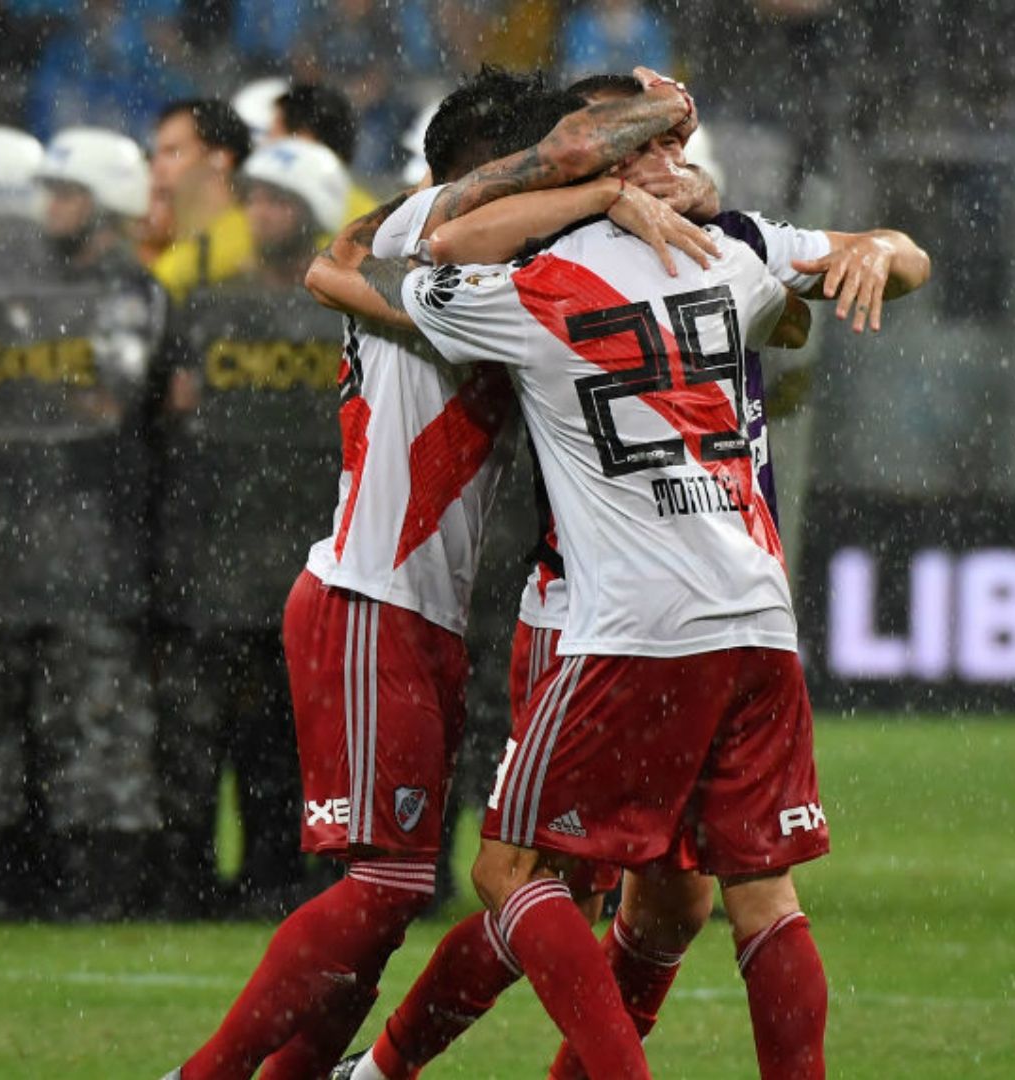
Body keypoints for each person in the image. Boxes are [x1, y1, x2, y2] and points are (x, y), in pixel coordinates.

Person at [336, 72, 930, 1080]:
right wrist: (860, 257)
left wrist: (877, 249)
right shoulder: (732, 261)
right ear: (602, 155)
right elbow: (807, 300)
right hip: (628, 607)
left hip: (642, 616)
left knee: (611, 889)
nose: (680, 166)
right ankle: (391, 1069)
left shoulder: (661, 252)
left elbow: (386, 265)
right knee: (626, 888)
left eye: (680, 143)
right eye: (654, 145)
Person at [164, 66, 705, 1080]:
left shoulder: (462, 258)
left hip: (418, 608)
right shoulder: (425, 228)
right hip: (371, 595)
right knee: (385, 883)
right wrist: (657, 124)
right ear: (491, 171)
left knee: (396, 891)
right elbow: (562, 165)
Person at [0, 124, 168, 920]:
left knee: (93, 732)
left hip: (88, 550)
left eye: (68, 194)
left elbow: (111, 406)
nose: (50, 208)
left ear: (109, 205)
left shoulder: (134, 290)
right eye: (49, 192)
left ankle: (98, 888)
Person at [152, 138, 352, 919]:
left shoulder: (345, 313)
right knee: (198, 743)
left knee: (287, 742)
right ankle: (194, 880)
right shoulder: (206, 308)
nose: (264, 213)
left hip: (303, 558)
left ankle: (276, 876)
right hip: (217, 556)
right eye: (257, 199)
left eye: (280, 201)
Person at [147, 98, 255, 302]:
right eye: (156, 154)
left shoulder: (253, 239)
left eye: (173, 152)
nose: (157, 167)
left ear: (219, 158)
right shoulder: (174, 261)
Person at [270, 81, 380, 222]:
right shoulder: (372, 220)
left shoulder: (263, 221)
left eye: (272, 133)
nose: (265, 145)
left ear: (304, 140)